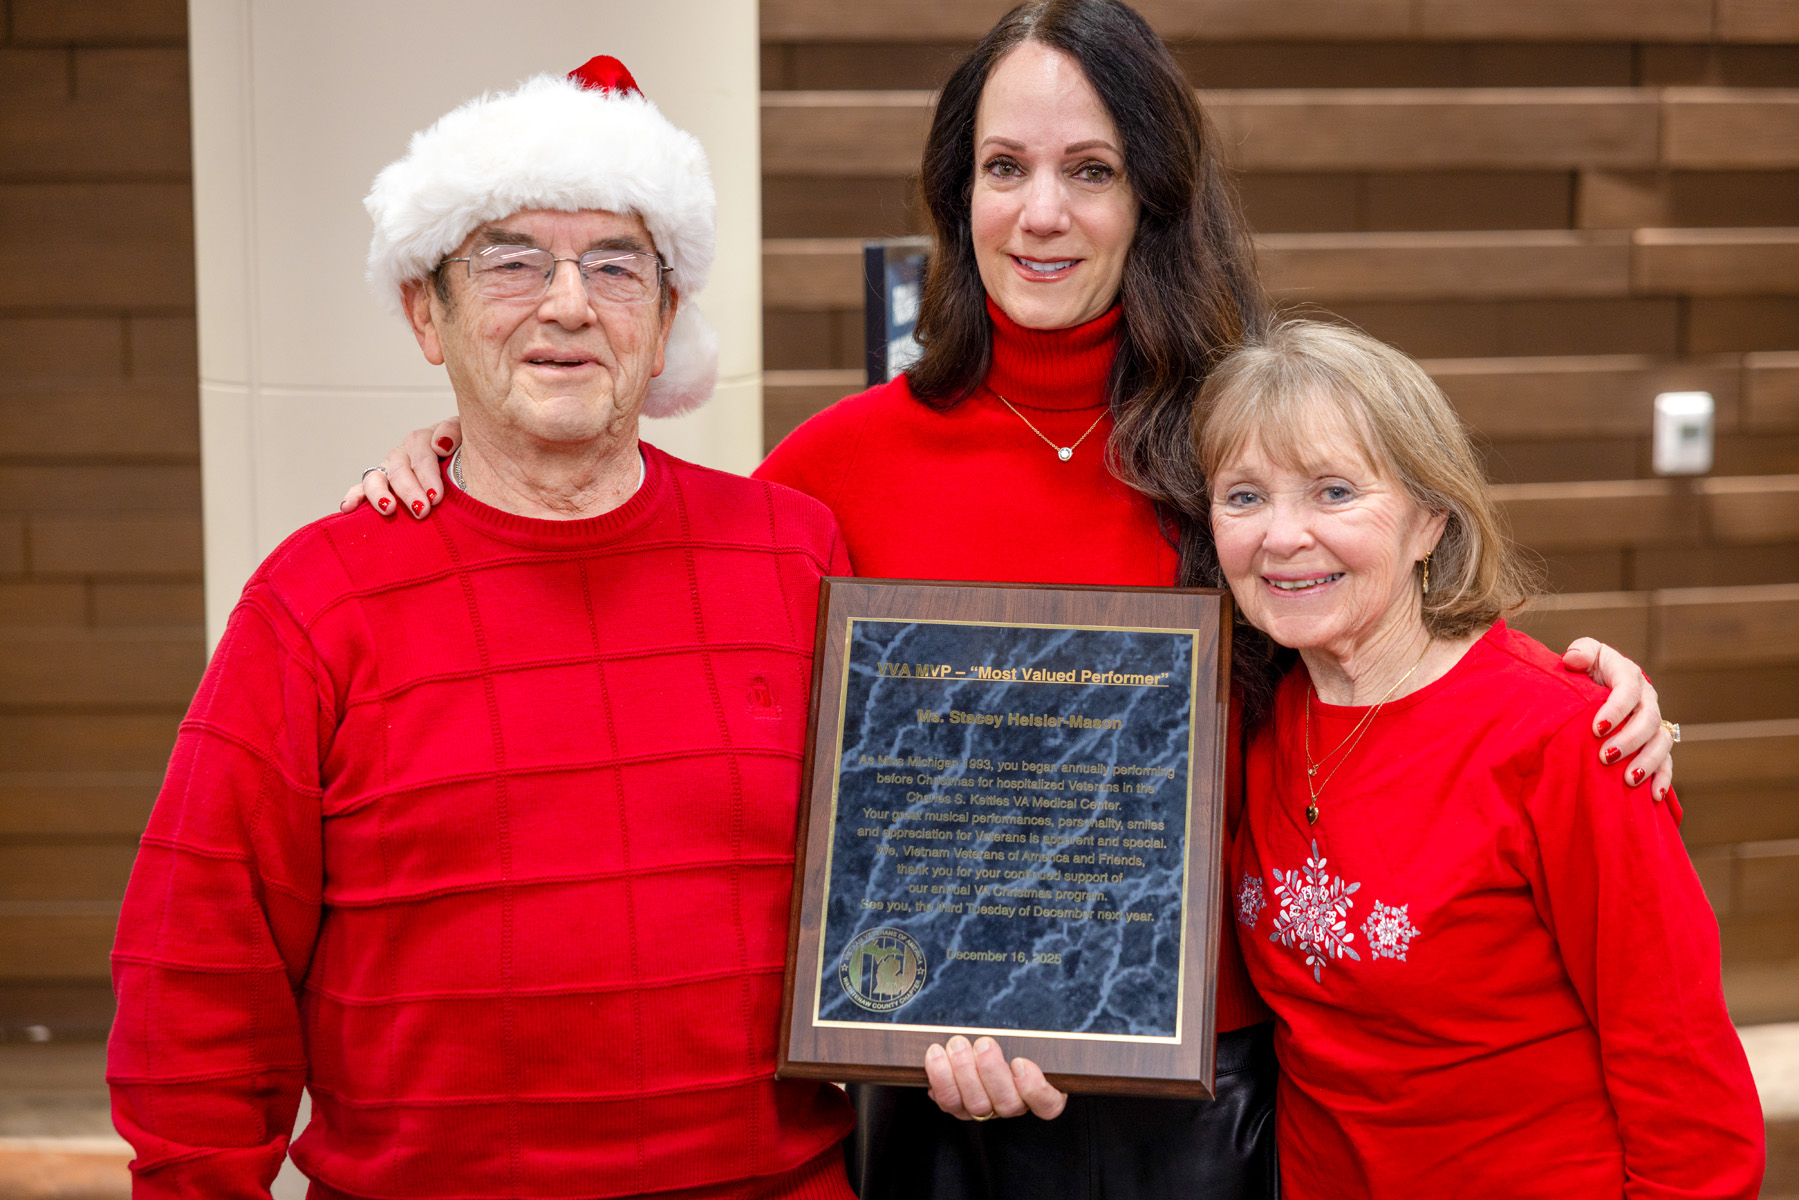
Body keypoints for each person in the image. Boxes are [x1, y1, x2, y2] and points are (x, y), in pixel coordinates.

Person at [344, 4, 1676, 1197]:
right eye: (1004, 169)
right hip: (926, 1088)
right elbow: (654, 591)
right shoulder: (833, 467)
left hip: (1203, 1105)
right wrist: (468, 464)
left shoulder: (1235, 441)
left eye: (1087, 171)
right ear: (955, 193)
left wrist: (1570, 693)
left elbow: (1375, 605)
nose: (1041, 212)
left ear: (1151, 198)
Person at [107, 58, 859, 1199]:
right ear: (427, 311)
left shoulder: (794, 555)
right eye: (512, 261)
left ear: (662, 325)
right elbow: (197, 972)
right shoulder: (316, 602)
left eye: (615, 266)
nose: (567, 304)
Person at [1200, 319, 1763, 1198]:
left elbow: (1684, 1081)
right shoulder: (1247, 717)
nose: (1280, 536)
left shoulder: (1563, 738)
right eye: (1242, 498)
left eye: (1333, 492)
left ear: (1429, 520)